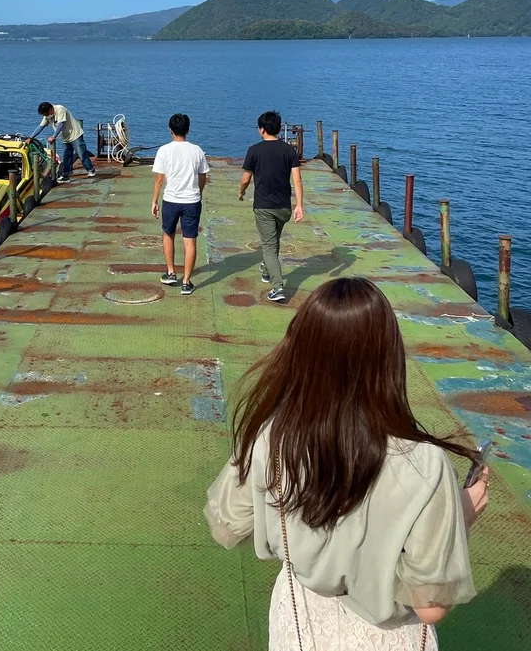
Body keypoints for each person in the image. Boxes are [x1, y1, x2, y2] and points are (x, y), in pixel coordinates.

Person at [204, 277, 489, 651]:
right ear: (388, 356)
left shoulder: (272, 435)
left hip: (298, 619)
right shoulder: (425, 463)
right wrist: (463, 515)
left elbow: (227, 526)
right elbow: (430, 606)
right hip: (384, 638)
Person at [239, 110, 303, 303]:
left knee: (268, 244)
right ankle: (267, 270)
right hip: (284, 206)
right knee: (273, 240)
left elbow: (245, 178)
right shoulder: (289, 151)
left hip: (264, 206)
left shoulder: (254, 150)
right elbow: (297, 179)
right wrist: (299, 205)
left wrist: (241, 192)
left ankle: (277, 287)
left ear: (262, 129)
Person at [151, 113, 210, 296]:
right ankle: (186, 282)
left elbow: (160, 179)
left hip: (170, 200)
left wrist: (154, 201)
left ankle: (170, 272)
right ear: (188, 130)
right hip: (191, 201)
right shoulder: (197, 150)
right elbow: (203, 177)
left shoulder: (164, 150)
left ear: (171, 130)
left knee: (168, 234)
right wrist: (198, 193)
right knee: (189, 240)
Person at [27, 102, 95, 182]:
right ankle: (66, 175)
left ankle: (91, 170)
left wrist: (54, 136)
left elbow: (61, 124)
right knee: (66, 157)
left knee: (81, 154)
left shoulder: (60, 109)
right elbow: (41, 127)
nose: (45, 116)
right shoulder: (48, 116)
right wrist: (31, 138)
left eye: (46, 114)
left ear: (50, 109)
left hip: (75, 135)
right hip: (65, 138)